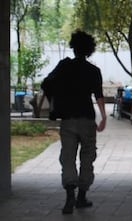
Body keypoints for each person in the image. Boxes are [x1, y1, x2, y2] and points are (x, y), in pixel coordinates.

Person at [41, 30, 106, 214]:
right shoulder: (93, 71)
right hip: (87, 119)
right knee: (87, 157)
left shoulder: (63, 66)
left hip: (68, 120)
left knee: (67, 157)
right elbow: (99, 96)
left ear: (73, 46)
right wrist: (104, 117)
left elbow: (46, 83)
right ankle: (81, 196)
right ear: (90, 49)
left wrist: (56, 101)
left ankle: (70, 195)